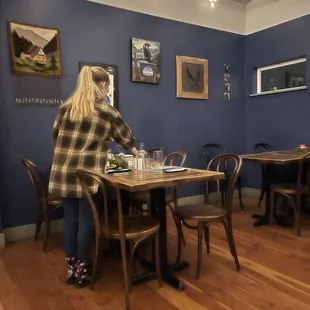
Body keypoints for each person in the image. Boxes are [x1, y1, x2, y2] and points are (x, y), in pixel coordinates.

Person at [49, 66, 137, 288]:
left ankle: (72, 270)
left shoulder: (66, 108)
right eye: (107, 86)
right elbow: (125, 137)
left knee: (70, 221)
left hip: (63, 173)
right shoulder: (106, 111)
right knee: (86, 222)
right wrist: (134, 150)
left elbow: (55, 136)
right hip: (87, 176)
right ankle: (83, 272)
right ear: (103, 85)